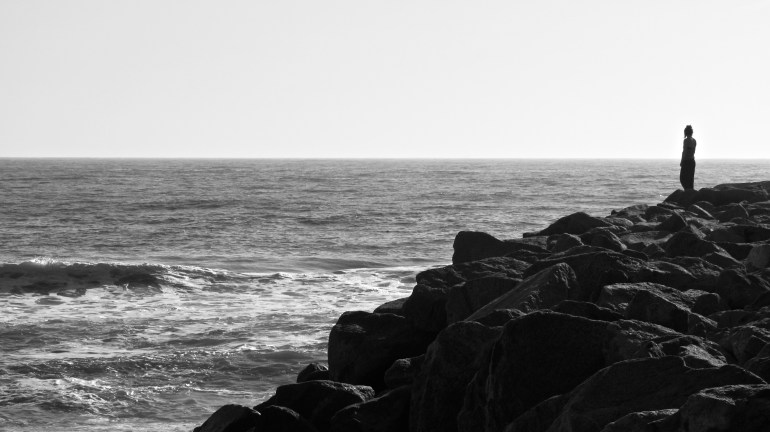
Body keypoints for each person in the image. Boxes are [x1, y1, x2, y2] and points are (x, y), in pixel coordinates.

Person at [680, 125, 696, 190]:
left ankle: (687, 192)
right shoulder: (694, 140)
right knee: (690, 179)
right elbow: (693, 151)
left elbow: (685, 151)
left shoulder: (686, 140)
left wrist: (682, 161)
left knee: (682, 178)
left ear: (685, 132)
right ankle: (690, 192)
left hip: (686, 161)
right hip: (692, 161)